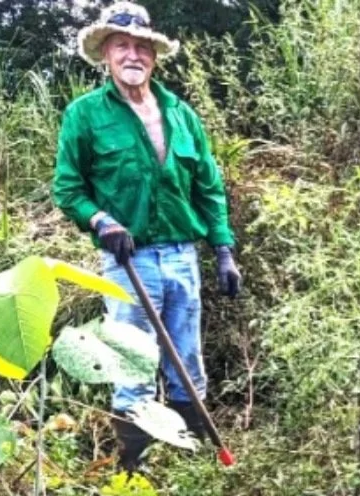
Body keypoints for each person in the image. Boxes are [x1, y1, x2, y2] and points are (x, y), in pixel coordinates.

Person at [53, 2, 241, 471]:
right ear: (106, 55)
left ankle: (190, 461)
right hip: (127, 263)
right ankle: (134, 469)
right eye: (122, 46)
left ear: (153, 57)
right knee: (131, 366)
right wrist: (101, 222)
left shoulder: (181, 114)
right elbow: (68, 188)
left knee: (186, 361)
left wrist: (223, 250)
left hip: (182, 257)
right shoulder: (85, 115)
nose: (132, 55)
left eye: (141, 47)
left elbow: (208, 186)